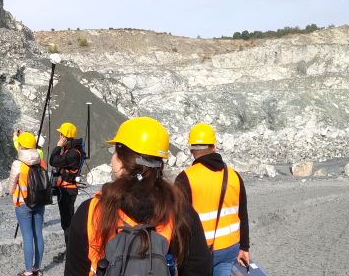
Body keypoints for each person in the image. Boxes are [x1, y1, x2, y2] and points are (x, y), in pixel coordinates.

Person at [64, 117, 212, 276]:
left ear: (122, 161)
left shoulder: (91, 212)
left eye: (115, 151)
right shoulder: (180, 211)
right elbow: (199, 269)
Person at [174, 123, 250, 276]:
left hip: (198, 252)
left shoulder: (186, 178)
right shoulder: (234, 175)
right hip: (230, 248)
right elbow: (243, 215)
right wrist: (244, 247)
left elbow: (177, 221)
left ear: (192, 150)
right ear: (214, 147)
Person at [10, 131, 47, 276]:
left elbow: (12, 185)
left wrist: (13, 194)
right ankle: (37, 268)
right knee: (38, 234)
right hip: (40, 202)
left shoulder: (18, 164)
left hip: (23, 204)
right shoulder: (41, 161)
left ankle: (28, 272)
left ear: (20, 146)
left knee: (27, 237)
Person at [50, 122, 85, 235]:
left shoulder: (73, 153)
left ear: (64, 136)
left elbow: (53, 161)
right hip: (65, 190)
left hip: (68, 191)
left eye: (61, 134)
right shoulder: (70, 150)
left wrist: (58, 146)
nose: (59, 136)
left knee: (68, 222)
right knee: (66, 222)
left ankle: (70, 250)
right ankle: (69, 248)